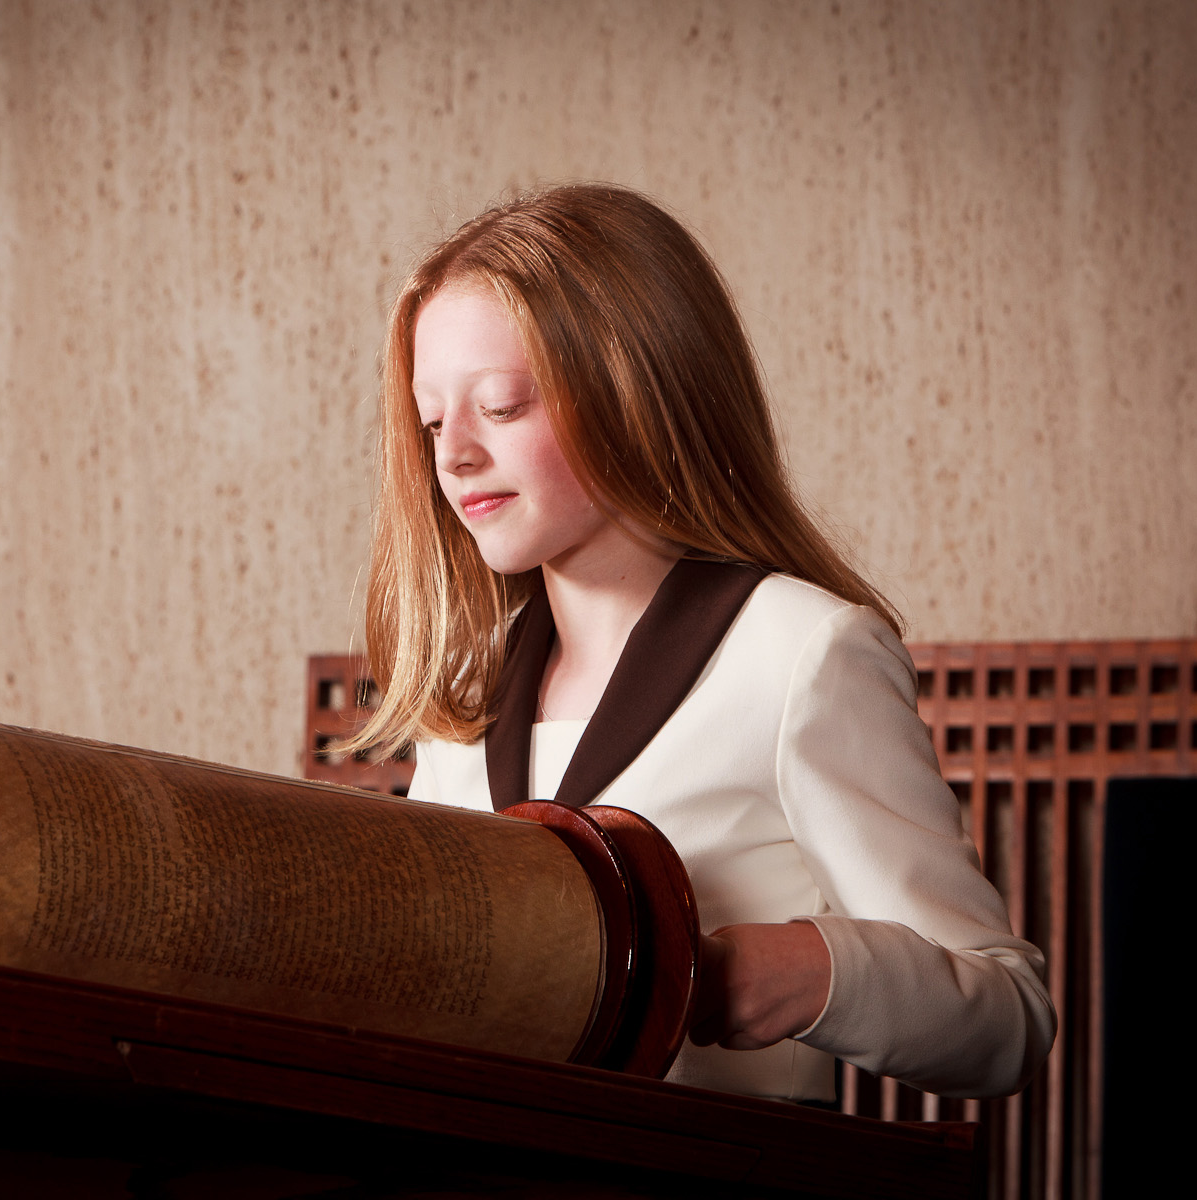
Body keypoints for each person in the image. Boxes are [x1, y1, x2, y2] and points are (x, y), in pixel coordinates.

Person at [348, 183, 1054, 1103]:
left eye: (504, 406)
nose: (455, 457)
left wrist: (813, 970)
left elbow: (1008, 1016)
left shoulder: (804, 652)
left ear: (632, 389)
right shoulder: (463, 691)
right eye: (434, 422)